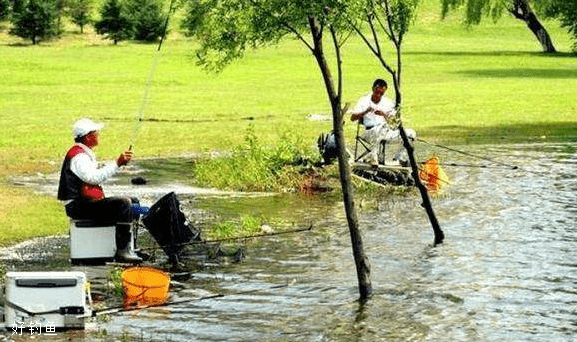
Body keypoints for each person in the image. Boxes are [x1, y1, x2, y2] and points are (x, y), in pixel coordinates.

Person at [57, 118, 142, 262]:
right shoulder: (79, 156)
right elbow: (93, 178)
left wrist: (116, 164)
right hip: (79, 206)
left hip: (83, 203)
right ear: (88, 137)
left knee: (134, 202)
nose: (98, 135)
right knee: (123, 204)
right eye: (96, 133)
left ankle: (131, 246)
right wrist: (117, 164)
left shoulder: (82, 153)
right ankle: (122, 250)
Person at [350, 79, 416, 166]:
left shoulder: (387, 102)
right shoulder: (364, 100)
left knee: (411, 134)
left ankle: (400, 157)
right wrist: (366, 111)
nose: (378, 95)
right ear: (373, 89)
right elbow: (353, 118)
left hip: (386, 132)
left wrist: (384, 115)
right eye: (377, 92)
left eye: (381, 93)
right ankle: (373, 157)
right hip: (369, 132)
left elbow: (394, 121)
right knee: (378, 130)